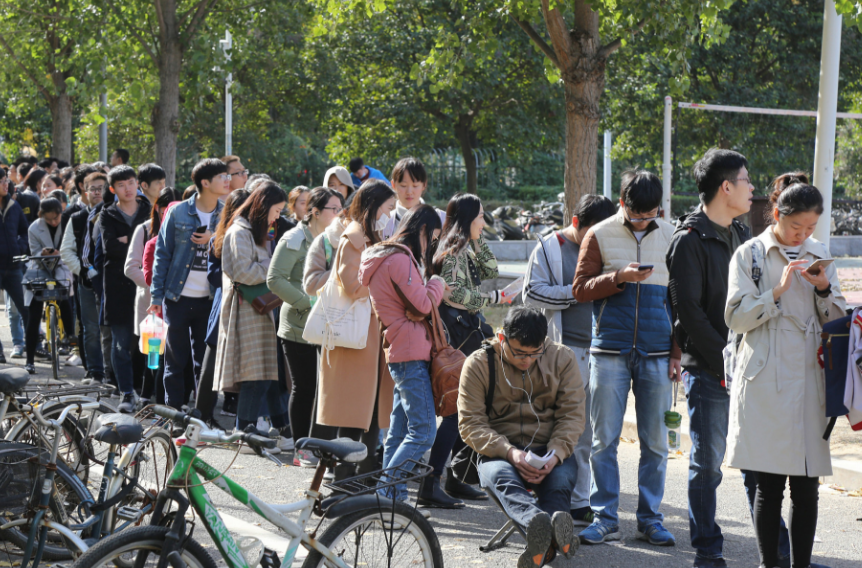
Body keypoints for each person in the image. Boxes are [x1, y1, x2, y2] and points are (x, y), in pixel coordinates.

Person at [666, 149, 789, 568]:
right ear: (726, 187)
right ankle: (707, 550)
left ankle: (778, 552)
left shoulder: (741, 235)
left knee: (758, 466)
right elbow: (689, 314)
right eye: (746, 179)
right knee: (708, 467)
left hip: (746, 371)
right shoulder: (688, 240)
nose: (753, 188)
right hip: (711, 372)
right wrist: (726, 364)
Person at [725, 174, 844, 568]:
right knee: (769, 484)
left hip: (810, 375)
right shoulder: (750, 254)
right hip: (765, 373)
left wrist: (824, 288)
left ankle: (801, 565)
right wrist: (775, 291)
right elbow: (736, 318)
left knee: (808, 485)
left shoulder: (819, 252)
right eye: (796, 226)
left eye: (810, 227)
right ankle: (769, 564)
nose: (802, 234)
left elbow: (838, 320)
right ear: (776, 214)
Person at [572, 170, 679, 546]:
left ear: (660, 209)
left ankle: (650, 518)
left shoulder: (671, 236)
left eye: (650, 215)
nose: (642, 221)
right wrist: (618, 277)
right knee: (604, 440)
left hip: (658, 351)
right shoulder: (598, 234)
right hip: (609, 350)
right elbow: (580, 289)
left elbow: (680, 301)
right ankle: (604, 517)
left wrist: (678, 352)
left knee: (656, 442)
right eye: (636, 215)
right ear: (622, 204)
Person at [459, 305, 584, 568]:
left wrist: (557, 453)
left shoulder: (562, 358)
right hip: (500, 451)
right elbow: (471, 424)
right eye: (518, 353)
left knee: (559, 482)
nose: (526, 360)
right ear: (502, 337)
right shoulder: (478, 363)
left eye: (535, 353)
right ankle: (547, 531)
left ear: (544, 343)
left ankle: (542, 544)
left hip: (549, 449)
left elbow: (572, 416)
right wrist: (509, 452)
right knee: (501, 478)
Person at [523, 193, 615, 528]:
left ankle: (580, 502)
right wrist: (577, 291)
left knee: (590, 433)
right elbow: (531, 292)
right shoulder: (550, 247)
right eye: (591, 233)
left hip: (603, 351)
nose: (596, 241)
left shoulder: (609, 244)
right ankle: (556, 499)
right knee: (562, 427)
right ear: (576, 223)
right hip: (563, 352)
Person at [358, 205, 446, 498]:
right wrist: (436, 283)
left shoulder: (383, 256)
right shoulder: (399, 259)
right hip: (410, 351)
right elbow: (421, 306)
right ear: (421, 230)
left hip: (400, 349)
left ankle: (393, 498)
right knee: (423, 433)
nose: (431, 245)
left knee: (398, 432)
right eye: (432, 238)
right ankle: (386, 491)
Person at [314, 180, 396, 471]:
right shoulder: (356, 236)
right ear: (374, 206)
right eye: (388, 208)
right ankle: (343, 481)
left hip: (368, 335)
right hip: (356, 336)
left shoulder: (370, 236)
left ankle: (360, 476)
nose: (391, 214)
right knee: (355, 413)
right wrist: (384, 282)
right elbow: (351, 285)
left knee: (371, 411)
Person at [427, 192, 502, 508]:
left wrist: (479, 235)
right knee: (457, 410)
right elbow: (452, 294)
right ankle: (432, 482)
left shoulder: (464, 246)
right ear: (468, 218)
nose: (484, 221)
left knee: (468, 408)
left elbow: (491, 269)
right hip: (458, 333)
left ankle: (454, 477)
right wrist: (490, 300)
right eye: (481, 216)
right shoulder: (454, 252)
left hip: (466, 330)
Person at [268, 187, 343, 463]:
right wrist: (307, 302)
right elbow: (275, 279)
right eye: (333, 209)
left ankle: (322, 445)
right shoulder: (294, 238)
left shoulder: (336, 239)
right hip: (298, 326)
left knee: (328, 387)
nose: (338, 214)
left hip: (330, 325)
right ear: (314, 211)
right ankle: (301, 450)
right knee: (305, 388)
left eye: (340, 208)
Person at [150, 159, 228, 409]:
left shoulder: (227, 212)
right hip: (177, 297)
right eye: (222, 176)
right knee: (175, 361)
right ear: (205, 183)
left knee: (204, 362)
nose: (228, 180)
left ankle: (203, 415)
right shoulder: (178, 211)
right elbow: (162, 254)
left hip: (211, 298)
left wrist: (213, 238)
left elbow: (236, 249)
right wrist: (156, 297)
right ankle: (173, 413)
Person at [213, 182, 289, 437]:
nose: (278, 216)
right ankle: (244, 431)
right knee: (256, 376)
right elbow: (244, 272)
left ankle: (282, 428)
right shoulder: (240, 231)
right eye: (276, 210)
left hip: (259, 308)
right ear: (264, 206)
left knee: (268, 374)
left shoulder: (253, 230)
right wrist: (275, 268)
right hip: (246, 309)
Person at [196, 189, 250, 424]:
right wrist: (238, 276)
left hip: (247, 306)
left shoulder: (253, 234)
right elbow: (213, 275)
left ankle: (244, 421)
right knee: (212, 362)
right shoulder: (223, 235)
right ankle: (201, 416)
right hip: (225, 305)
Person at [101, 166, 151, 412]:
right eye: (121, 185)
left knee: (148, 342)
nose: (128, 188)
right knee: (121, 343)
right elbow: (109, 247)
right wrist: (137, 240)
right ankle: (126, 393)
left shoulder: (149, 211)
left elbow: (152, 245)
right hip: (118, 287)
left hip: (146, 286)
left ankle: (148, 392)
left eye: (131, 182)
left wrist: (127, 239)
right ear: (113, 189)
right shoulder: (107, 214)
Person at [126, 187, 182, 406]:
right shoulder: (147, 232)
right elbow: (133, 268)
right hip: (152, 304)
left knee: (171, 355)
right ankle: (146, 396)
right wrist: (156, 290)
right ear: (159, 210)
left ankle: (166, 400)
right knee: (153, 355)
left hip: (176, 304)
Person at [23, 198, 75, 374]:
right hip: (39, 267)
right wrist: (42, 253)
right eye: (49, 219)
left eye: (56, 218)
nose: (53, 222)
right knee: (34, 312)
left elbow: (72, 247)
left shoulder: (69, 221)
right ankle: (29, 360)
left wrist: (61, 253)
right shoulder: (34, 228)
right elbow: (33, 251)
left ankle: (70, 337)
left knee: (64, 297)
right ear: (42, 215)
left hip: (62, 266)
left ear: (61, 212)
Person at [0, 168, 30, 365]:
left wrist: (19, 247)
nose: (6, 184)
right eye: (2, 181)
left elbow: (25, 232)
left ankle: (32, 351)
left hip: (13, 267)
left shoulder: (14, 206)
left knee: (26, 308)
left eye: (6, 180)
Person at [381, 157, 445, 239]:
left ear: (424, 185)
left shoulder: (441, 218)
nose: (409, 192)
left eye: (415, 186)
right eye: (403, 186)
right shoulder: (384, 223)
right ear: (393, 185)